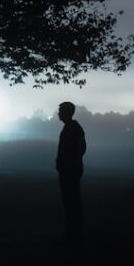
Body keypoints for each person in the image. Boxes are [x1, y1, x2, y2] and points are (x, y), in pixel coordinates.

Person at [56, 101, 86, 245]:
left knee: (71, 202)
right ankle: (74, 232)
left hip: (70, 171)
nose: (58, 113)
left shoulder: (72, 129)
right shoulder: (73, 128)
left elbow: (80, 149)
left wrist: (67, 163)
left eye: (61, 111)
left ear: (67, 113)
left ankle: (73, 234)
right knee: (71, 202)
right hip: (71, 170)